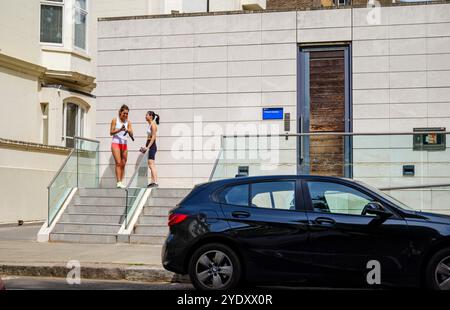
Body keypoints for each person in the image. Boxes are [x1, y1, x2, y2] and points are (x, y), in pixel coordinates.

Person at [110, 105, 133, 188]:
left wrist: (128, 130)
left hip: (124, 144)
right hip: (116, 143)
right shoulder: (115, 120)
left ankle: (121, 182)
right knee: (118, 163)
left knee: (123, 163)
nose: (125, 115)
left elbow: (132, 134)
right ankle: (118, 182)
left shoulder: (128, 122)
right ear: (120, 112)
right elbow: (111, 132)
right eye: (124, 113)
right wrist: (120, 130)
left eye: (127, 114)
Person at [141, 111, 159, 188]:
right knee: (150, 164)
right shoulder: (150, 125)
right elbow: (149, 137)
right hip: (149, 145)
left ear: (151, 116)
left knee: (152, 165)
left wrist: (148, 147)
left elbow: (153, 137)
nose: (145, 116)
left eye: (146, 115)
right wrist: (145, 148)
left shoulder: (153, 125)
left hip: (152, 146)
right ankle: (152, 182)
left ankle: (155, 182)